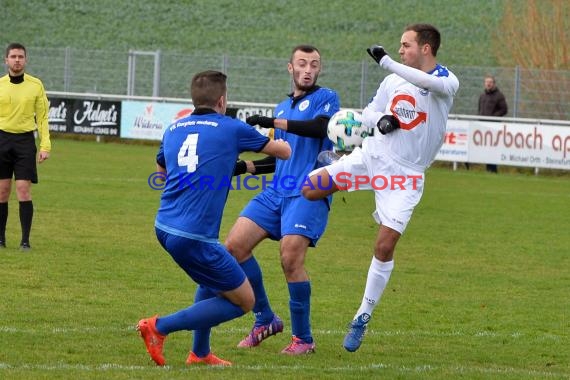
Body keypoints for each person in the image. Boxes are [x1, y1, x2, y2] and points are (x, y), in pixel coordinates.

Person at [302, 24, 459, 352]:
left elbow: (426, 82)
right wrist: (380, 121)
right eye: (398, 47)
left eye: (406, 45)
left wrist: (387, 61)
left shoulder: (446, 80)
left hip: (405, 177)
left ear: (426, 48)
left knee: (384, 246)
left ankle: (362, 316)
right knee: (309, 189)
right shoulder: (392, 81)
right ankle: (337, 163)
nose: (400, 50)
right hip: (373, 156)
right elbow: (371, 113)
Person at [136, 70, 291, 367]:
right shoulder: (231, 128)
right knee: (244, 301)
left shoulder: (173, 128)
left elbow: (161, 172)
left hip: (165, 226)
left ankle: (200, 352)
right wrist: (276, 130)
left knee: (211, 280)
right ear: (222, 100)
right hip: (193, 235)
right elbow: (283, 152)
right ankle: (159, 327)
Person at [225, 44, 340, 355]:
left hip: (308, 190)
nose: (308, 69)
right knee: (233, 248)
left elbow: (319, 128)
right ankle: (265, 319)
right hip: (277, 190)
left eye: (314, 65)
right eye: (302, 64)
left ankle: (303, 339)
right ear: (290, 68)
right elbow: (283, 158)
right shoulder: (281, 107)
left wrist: (271, 123)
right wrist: (245, 167)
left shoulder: (326, 98)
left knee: (290, 259)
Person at [0, 42, 51, 252]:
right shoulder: (0, 84)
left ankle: (25, 241)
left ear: (26, 60)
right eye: (13, 56)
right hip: (2, 140)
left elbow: (43, 117)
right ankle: (0, 239)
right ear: (6, 60)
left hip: (25, 142)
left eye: (21, 56)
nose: (17, 60)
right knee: (2, 192)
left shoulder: (35, 85)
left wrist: (45, 144)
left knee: (23, 190)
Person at [479, 74, 508, 173]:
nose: (488, 84)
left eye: (490, 82)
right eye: (487, 82)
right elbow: (479, 110)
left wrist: (493, 117)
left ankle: (493, 168)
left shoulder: (499, 96)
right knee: (485, 148)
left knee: (492, 148)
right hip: (483, 126)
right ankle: (488, 168)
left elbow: (504, 110)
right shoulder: (482, 96)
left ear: (494, 84)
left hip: (494, 126)